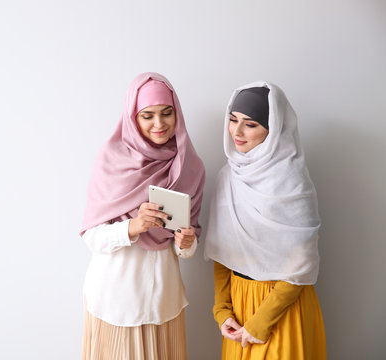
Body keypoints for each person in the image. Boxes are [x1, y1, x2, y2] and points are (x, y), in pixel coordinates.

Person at [80, 72, 205, 359]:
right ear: (133, 118)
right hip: (115, 303)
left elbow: (186, 243)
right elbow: (91, 236)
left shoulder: (190, 166)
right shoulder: (112, 161)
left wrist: (187, 243)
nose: (159, 124)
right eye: (147, 116)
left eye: (166, 113)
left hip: (163, 302)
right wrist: (132, 227)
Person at [204, 82, 327, 359]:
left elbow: (301, 265)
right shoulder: (228, 177)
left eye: (250, 124)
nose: (236, 132)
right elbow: (223, 253)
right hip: (238, 310)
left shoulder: (292, 183)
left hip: (281, 311)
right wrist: (222, 311)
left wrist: (261, 323)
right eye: (233, 120)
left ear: (273, 129)